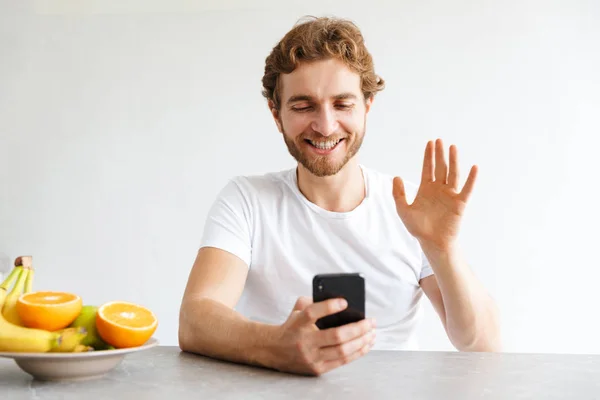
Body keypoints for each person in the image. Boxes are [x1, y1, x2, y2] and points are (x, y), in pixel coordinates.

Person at [178, 15, 501, 376]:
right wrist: (278, 346)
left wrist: (442, 250)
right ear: (276, 113)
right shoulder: (247, 200)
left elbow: (481, 344)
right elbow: (195, 319)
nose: (326, 125)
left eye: (343, 104)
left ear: (367, 106)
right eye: (303, 106)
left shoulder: (410, 207)